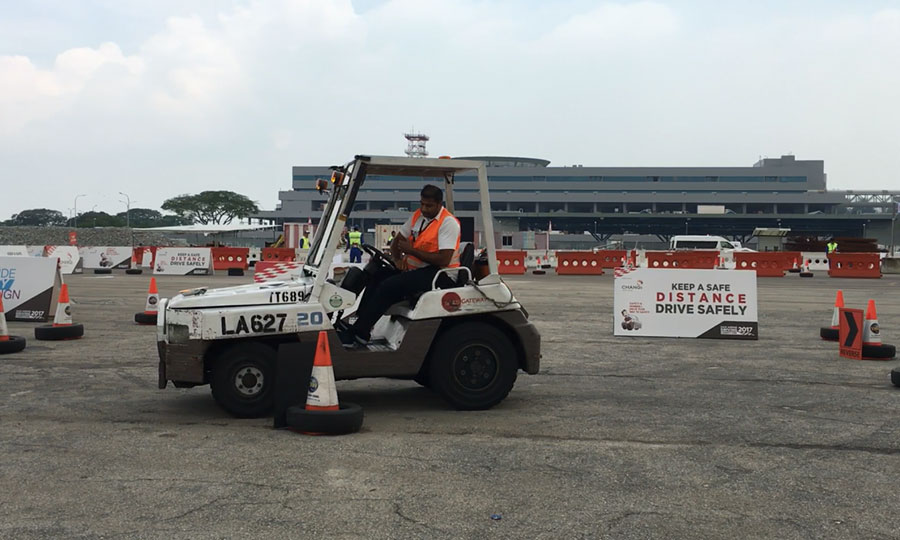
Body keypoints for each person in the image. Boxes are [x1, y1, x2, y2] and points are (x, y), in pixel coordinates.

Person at [339, 184, 460, 347]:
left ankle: (360, 332)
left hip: (440, 275)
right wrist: (396, 259)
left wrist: (412, 251)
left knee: (389, 286)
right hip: (418, 271)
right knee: (376, 276)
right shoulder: (418, 216)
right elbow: (398, 241)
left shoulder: (448, 223)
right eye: (422, 204)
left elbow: (443, 259)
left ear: (439, 204)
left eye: (429, 206)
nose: (424, 208)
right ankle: (360, 325)